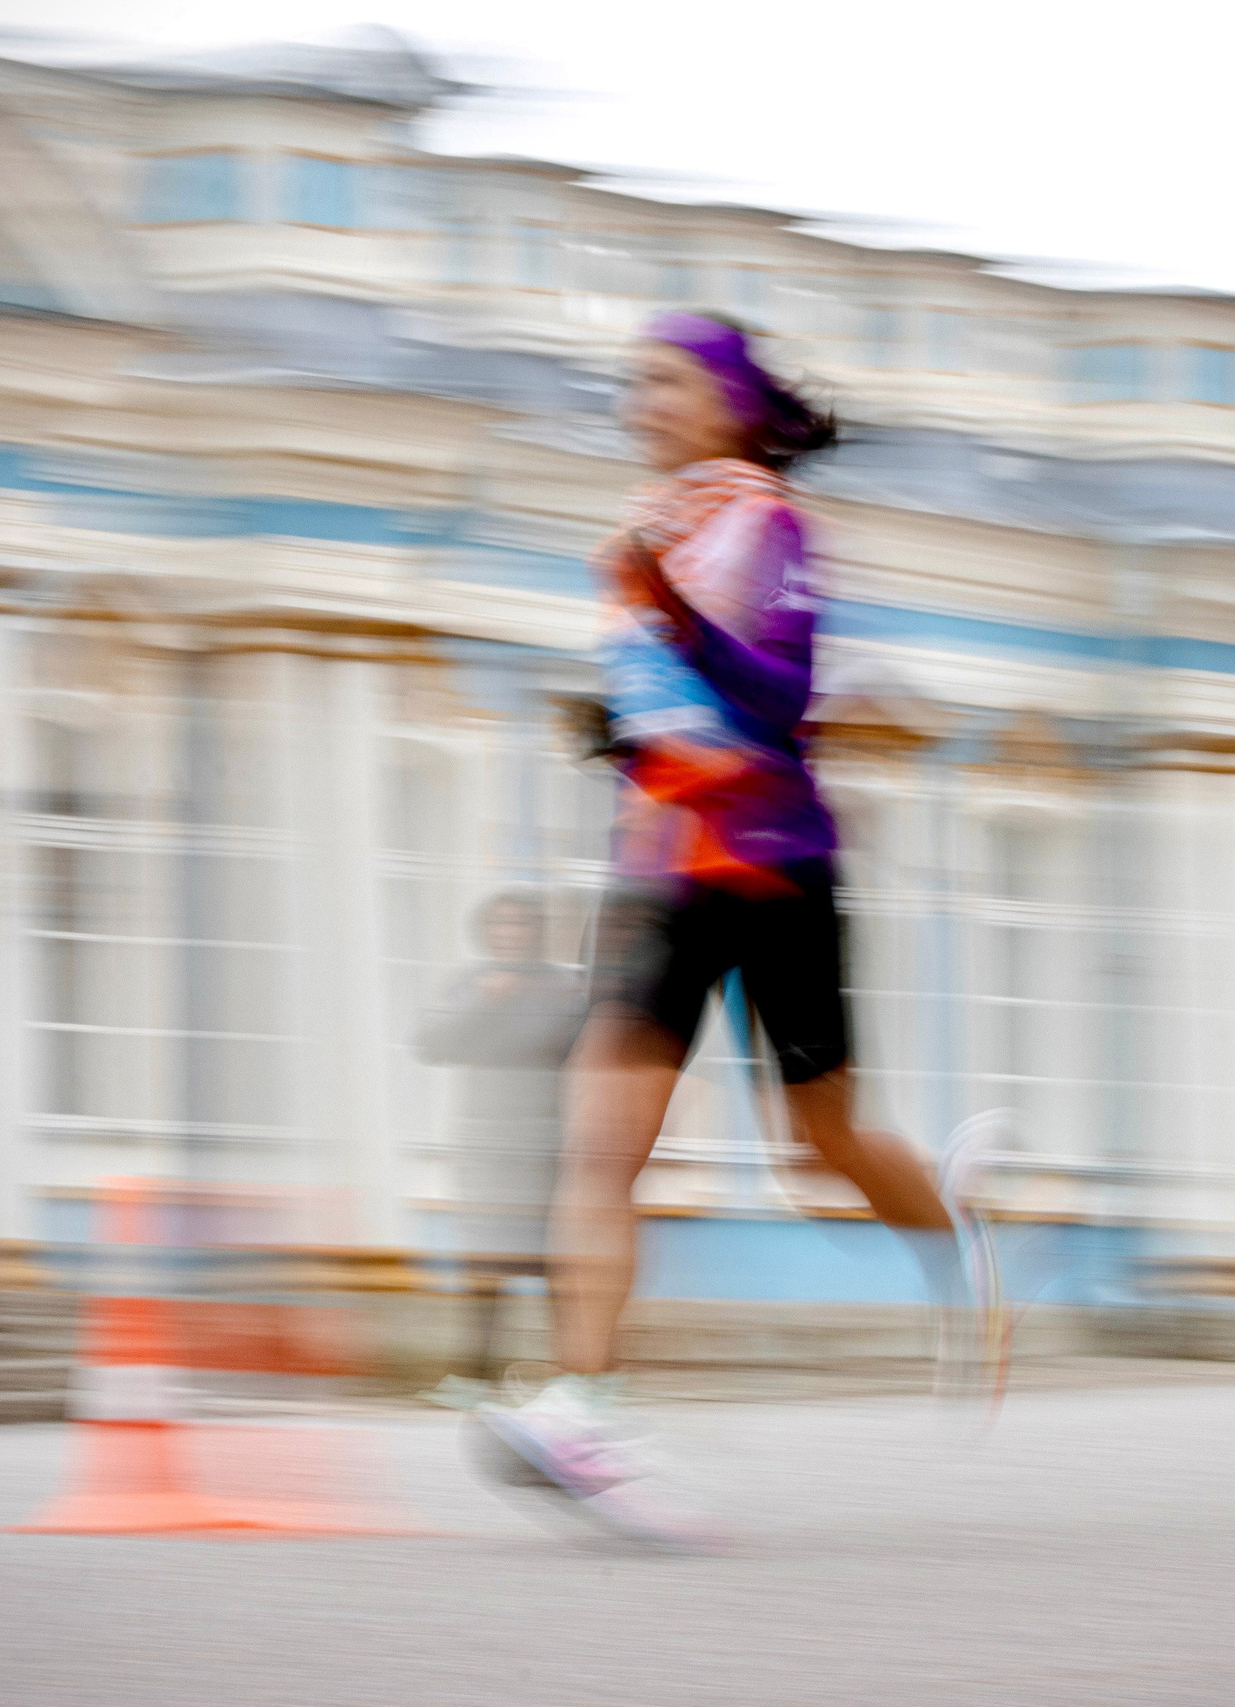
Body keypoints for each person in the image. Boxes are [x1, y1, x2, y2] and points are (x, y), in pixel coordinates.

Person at [474, 310, 998, 1528]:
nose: (639, 400)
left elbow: (776, 696)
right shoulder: (651, 535)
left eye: (665, 381)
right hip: (663, 875)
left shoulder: (766, 522)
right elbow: (670, 711)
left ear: (732, 405)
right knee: (601, 1147)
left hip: (774, 872)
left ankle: (954, 1230)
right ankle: (581, 1408)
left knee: (819, 1146)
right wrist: (615, 729)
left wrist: (659, 603)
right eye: (630, 383)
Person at [410, 888, 586, 1383]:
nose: (510, 933)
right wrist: (484, 1004)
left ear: (540, 933)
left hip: (546, 1145)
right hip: (482, 1146)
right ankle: (472, 1375)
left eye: (522, 924)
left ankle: (571, 1375)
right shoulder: (467, 984)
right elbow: (428, 1043)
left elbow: (579, 1051)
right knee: (484, 1263)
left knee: (557, 1262)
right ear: (484, 932)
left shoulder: (567, 989)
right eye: (500, 924)